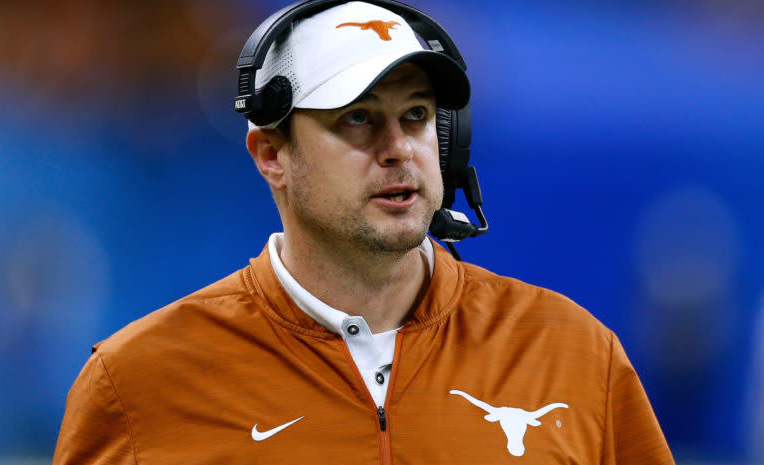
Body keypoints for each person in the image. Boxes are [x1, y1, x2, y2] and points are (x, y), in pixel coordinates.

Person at [53, 1, 675, 463]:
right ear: (272, 155)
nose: (399, 148)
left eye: (416, 115)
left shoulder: (573, 353)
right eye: (357, 119)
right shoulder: (140, 380)